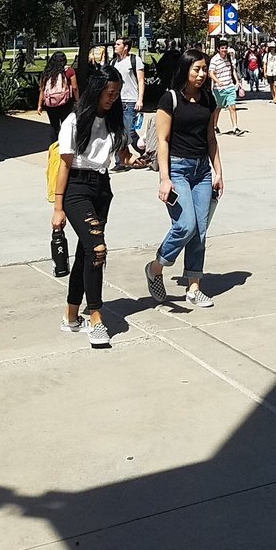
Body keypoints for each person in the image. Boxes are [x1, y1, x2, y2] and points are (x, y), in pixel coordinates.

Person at [52, 65, 129, 347]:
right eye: (109, 93)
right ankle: (96, 317)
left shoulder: (113, 121)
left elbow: (124, 155)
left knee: (86, 253)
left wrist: (135, 160)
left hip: (102, 188)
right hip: (76, 189)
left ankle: (71, 317)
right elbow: (64, 166)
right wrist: (58, 207)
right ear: (97, 91)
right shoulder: (74, 121)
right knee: (98, 250)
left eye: (117, 94)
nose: (113, 98)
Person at [144, 49, 223, 309]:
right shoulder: (170, 99)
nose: (201, 74)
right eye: (196, 69)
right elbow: (163, 141)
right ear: (185, 70)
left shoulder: (208, 100)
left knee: (200, 231)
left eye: (204, 69)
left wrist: (218, 172)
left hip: (202, 171)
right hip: (177, 169)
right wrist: (164, 178)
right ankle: (156, 267)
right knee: (185, 225)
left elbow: (211, 137)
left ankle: (194, 286)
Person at [113, 36, 145, 168]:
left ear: (125, 47)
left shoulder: (135, 60)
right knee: (117, 131)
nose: (115, 46)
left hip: (131, 101)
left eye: (118, 44)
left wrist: (140, 99)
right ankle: (120, 161)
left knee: (129, 131)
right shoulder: (113, 62)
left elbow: (141, 81)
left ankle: (145, 153)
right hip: (116, 102)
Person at [38, 52, 79, 139]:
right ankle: (65, 145)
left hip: (50, 103)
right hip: (66, 102)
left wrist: (39, 105)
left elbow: (42, 89)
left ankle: (54, 147)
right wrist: (77, 100)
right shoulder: (69, 71)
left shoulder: (47, 72)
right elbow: (75, 87)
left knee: (54, 126)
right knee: (66, 124)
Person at [209, 40, 244, 136]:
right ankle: (214, 126)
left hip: (230, 86)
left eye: (225, 48)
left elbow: (232, 70)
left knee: (232, 107)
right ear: (218, 49)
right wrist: (218, 81)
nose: (224, 50)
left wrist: (237, 81)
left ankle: (235, 127)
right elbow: (211, 73)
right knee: (218, 108)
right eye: (222, 48)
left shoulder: (229, 57)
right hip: (219, 89)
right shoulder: (214, 60)